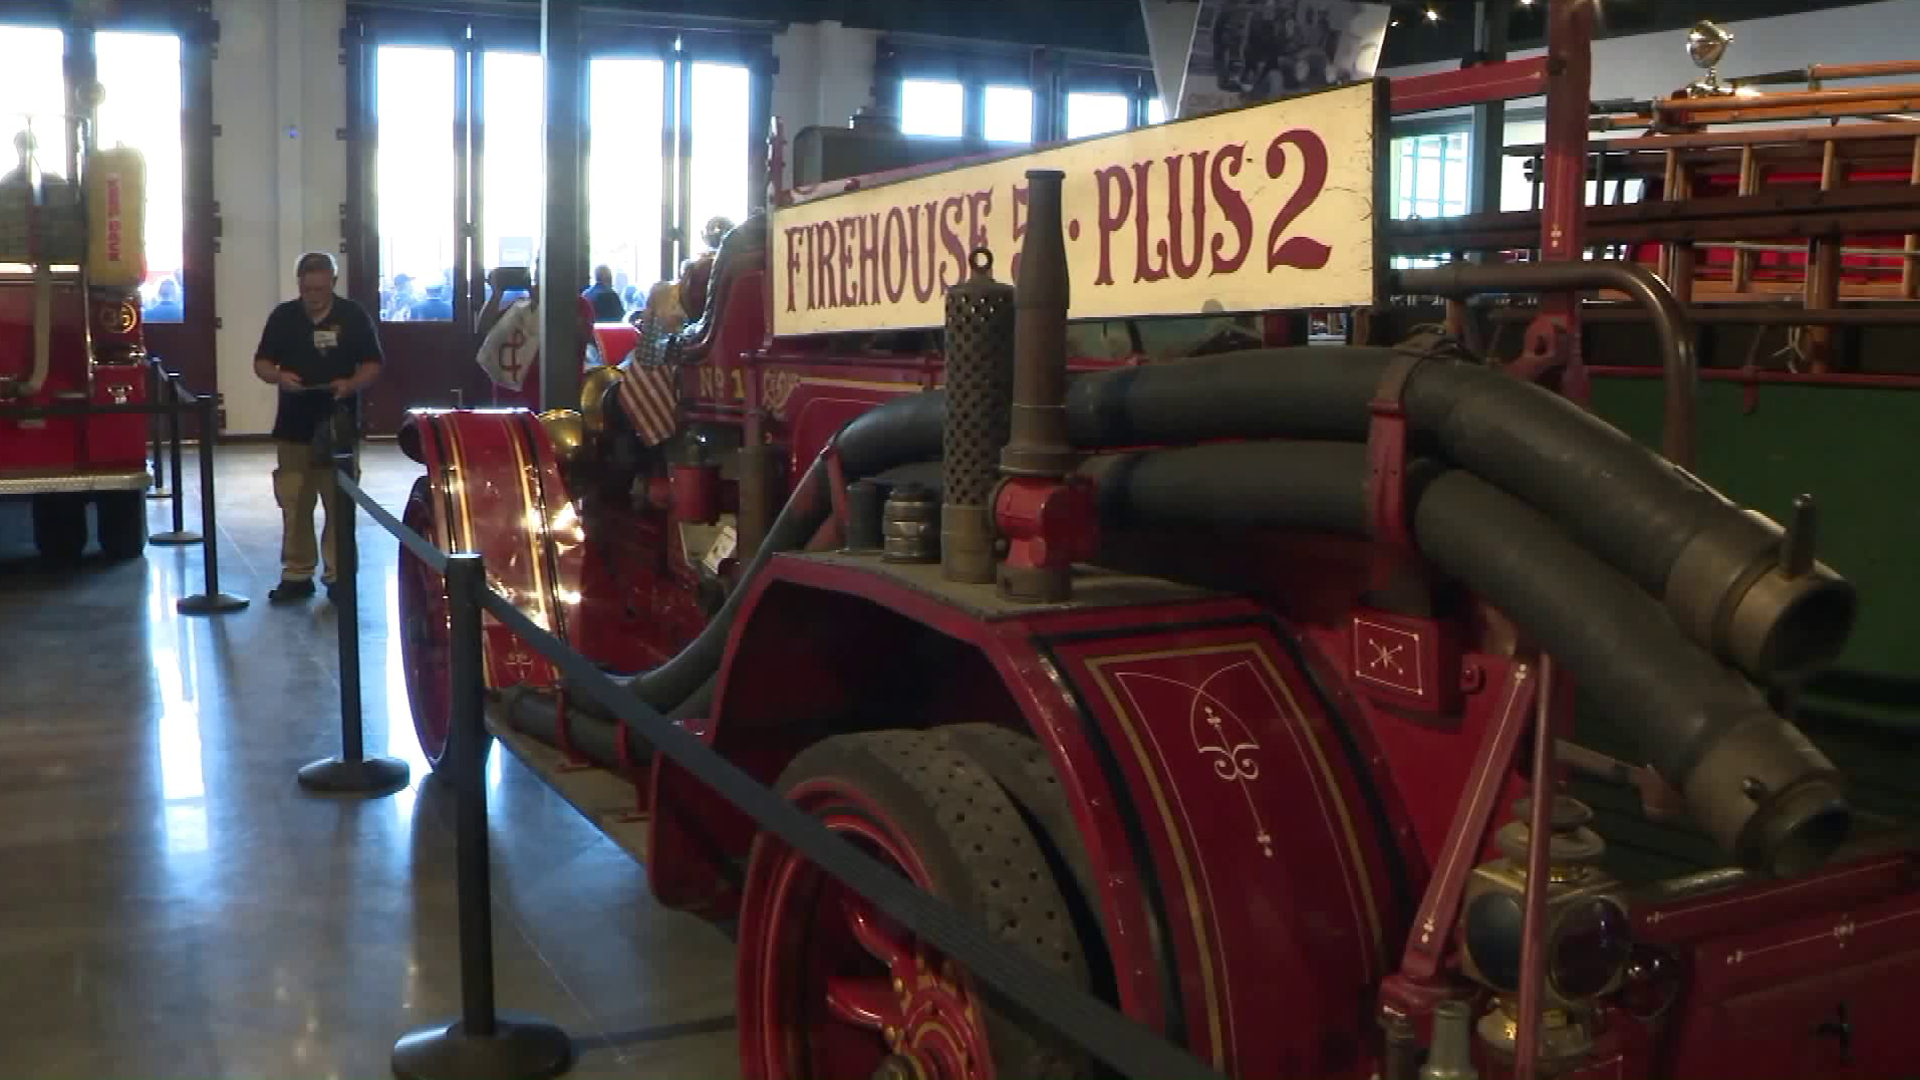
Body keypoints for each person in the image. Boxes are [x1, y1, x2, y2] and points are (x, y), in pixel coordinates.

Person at [251, 251, 382, 603]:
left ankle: (340, 576)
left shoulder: (353, 317)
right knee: (295, 501)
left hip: (338, 426)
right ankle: (297, 574)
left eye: (321, 289)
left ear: (333, 284)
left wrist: (350, 385)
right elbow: (261, 362)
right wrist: (279, 377)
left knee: (339, 503)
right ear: (299, 285)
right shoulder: (284, 317)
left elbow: (372, 363)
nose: (314, 296)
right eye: (308, 289)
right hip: (294, 426)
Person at [474, 262, 596, 409]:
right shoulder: (521, 305)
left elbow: (582, 334)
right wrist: (496, 295)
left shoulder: (577, 304)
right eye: (538, 264)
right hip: (511, 395)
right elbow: (484, 327)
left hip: (551, 396)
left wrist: (545, 303)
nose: (539, 271)